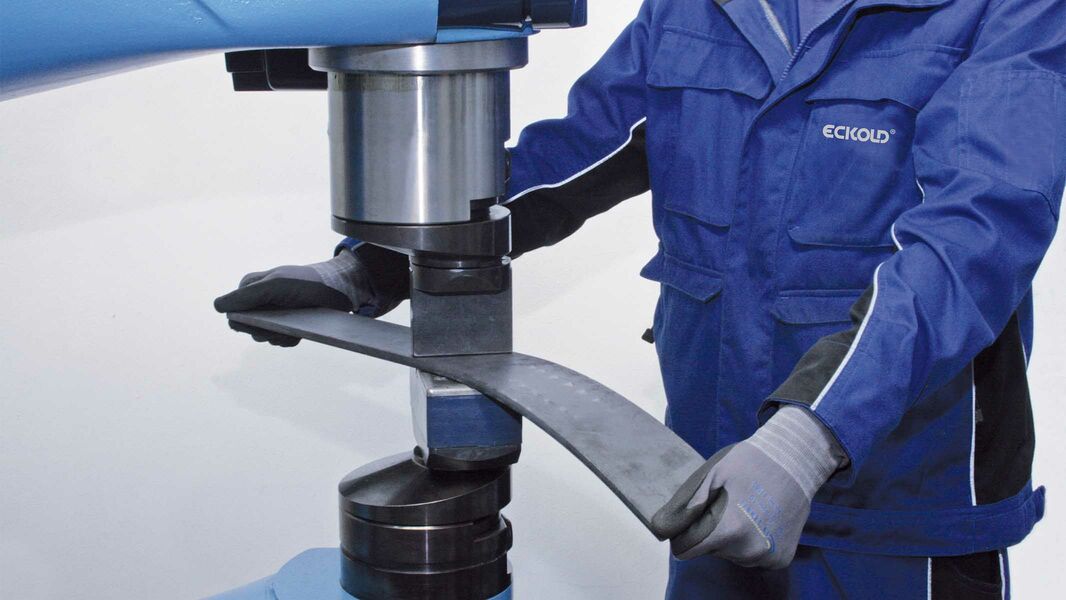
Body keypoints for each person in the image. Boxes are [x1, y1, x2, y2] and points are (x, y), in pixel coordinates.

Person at [216, 0, 1066, 597]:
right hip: (718, 495)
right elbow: (573, 158)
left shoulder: (1000, 10)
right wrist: (373, 268)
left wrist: (807, 441)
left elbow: (974, 238)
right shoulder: (697, 7)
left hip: (900, 521)